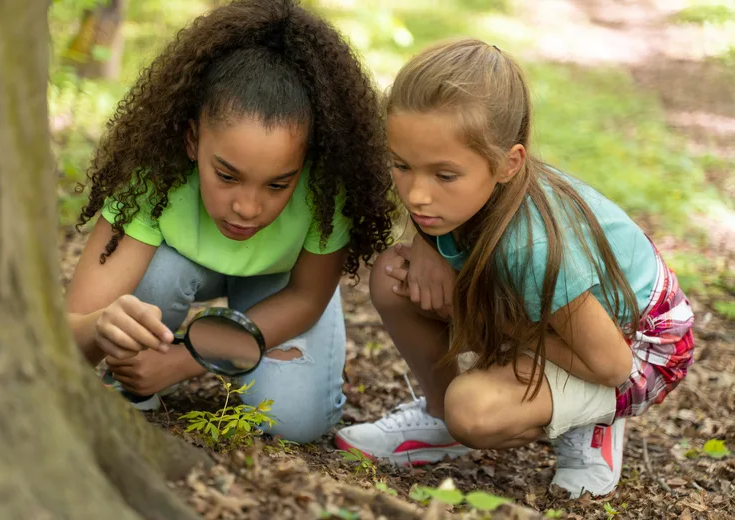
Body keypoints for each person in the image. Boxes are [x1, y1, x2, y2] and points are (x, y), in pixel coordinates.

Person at [334, 39, 695, 497]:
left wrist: (487, 316)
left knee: (473, 411)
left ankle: (592, 422)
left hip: (638, 347)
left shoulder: (531, 246)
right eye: (402, 166)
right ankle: (440, 419)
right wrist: (424, 243)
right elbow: (432, 217)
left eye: (444, 176)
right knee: (394, 276)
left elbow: (612, 365)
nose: (417, 195)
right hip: (552, 320)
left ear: (509, 163)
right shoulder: (466, 198)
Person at [65, 0, 395, 444]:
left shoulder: (327, 186)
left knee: (294, 422)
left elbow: (306, 296)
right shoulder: (154, 178)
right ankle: (135, 380)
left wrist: (184, 360)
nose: (247, 208)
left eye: (278, 185)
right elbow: (70, 328)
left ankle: (209, 355)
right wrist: (103, 323)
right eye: (226, 175)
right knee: (157, 276)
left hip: (278, 287)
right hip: (181, 269)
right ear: (191, 140)